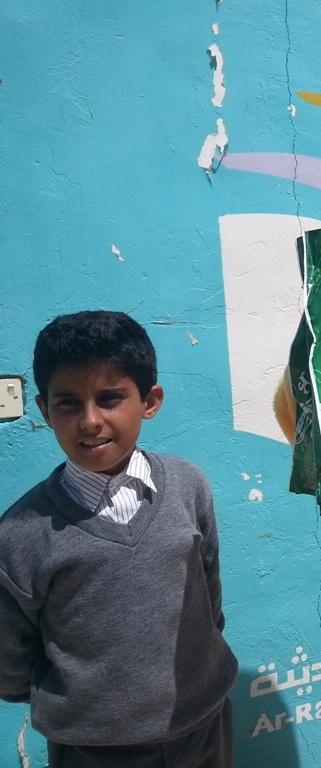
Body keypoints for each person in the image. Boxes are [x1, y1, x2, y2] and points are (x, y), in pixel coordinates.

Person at [0, 311, 238, 768]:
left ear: (150, 401)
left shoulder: (188, 485)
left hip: (203, 723)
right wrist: (87, 707)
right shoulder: (20, 534)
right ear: (45, 411)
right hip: (93, 749)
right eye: (69, 403)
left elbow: (208, 592)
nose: (90, 421)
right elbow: (10, 661)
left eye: (110, 398)